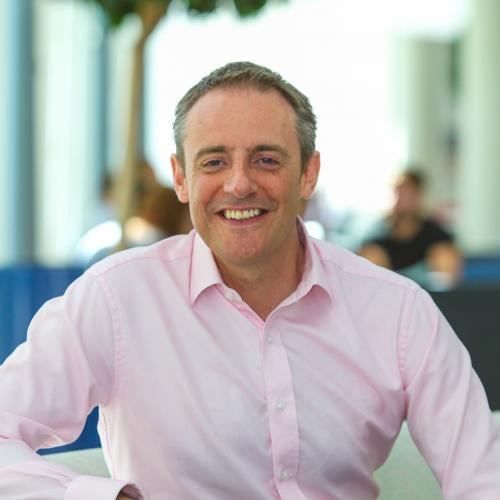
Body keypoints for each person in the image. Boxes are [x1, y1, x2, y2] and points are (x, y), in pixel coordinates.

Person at [0, 62, 499, 499]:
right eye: (214, 161)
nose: (239, 184)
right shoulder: (116, 298)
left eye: (266, 159)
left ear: (308, 174)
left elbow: (483, 478)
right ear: (181, 178)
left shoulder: (399, 312)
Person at [358, 169, 463, 289]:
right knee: (371, 255)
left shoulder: (438, 237)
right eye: (398, 193)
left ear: (419, 195)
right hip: (388, 292)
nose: (403, 199)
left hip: (428, 292)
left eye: (408, 194)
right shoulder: (376, 237)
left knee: (445, 255)